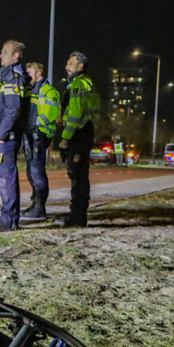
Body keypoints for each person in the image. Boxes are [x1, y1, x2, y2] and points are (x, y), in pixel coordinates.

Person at [0, 40, 31, 232]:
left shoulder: (12, 76)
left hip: (7, 136)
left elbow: (12, 109)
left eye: (5, 52)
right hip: (3, 135)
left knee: (7, 178)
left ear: (16, 56)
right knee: (5, 177)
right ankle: (9, 217)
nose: (0, 55)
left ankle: (9, 220)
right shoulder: (6, 75)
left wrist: (2, 135)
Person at [58, 51, 101, 227]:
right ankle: (78, 215)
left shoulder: (78, 83)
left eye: (70, 63)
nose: (66, 67)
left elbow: (76, 114)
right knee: (80, 175)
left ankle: (76, 217)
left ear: (80, 66)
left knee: (77, 176)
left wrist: (65, 138)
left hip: (78, 134)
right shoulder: (87, 83)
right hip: (84, 132)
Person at [24, 61, 60, 219]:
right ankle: (35, 205)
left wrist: (33, 124)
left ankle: (40, 208)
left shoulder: (49, 91)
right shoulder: (32, 90)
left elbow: (50, 114)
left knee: (37, 172)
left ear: (39, 74)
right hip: (31, 136)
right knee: (31, 172)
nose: (27, 76)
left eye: (30, 73)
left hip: (40, 135)